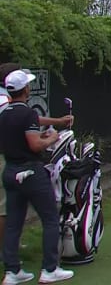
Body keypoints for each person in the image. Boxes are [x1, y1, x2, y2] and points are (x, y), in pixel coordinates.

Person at [0, 70, 74, 283]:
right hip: (31, 172)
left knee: (14, 222)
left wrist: (42, 133)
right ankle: (50, 269)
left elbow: (19, 138)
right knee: (50, 218)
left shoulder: (4, 114)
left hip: (11, 172)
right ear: (25, 90)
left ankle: (12, 272)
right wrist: (52, 138)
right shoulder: (28, 114)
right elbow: (34, 144)